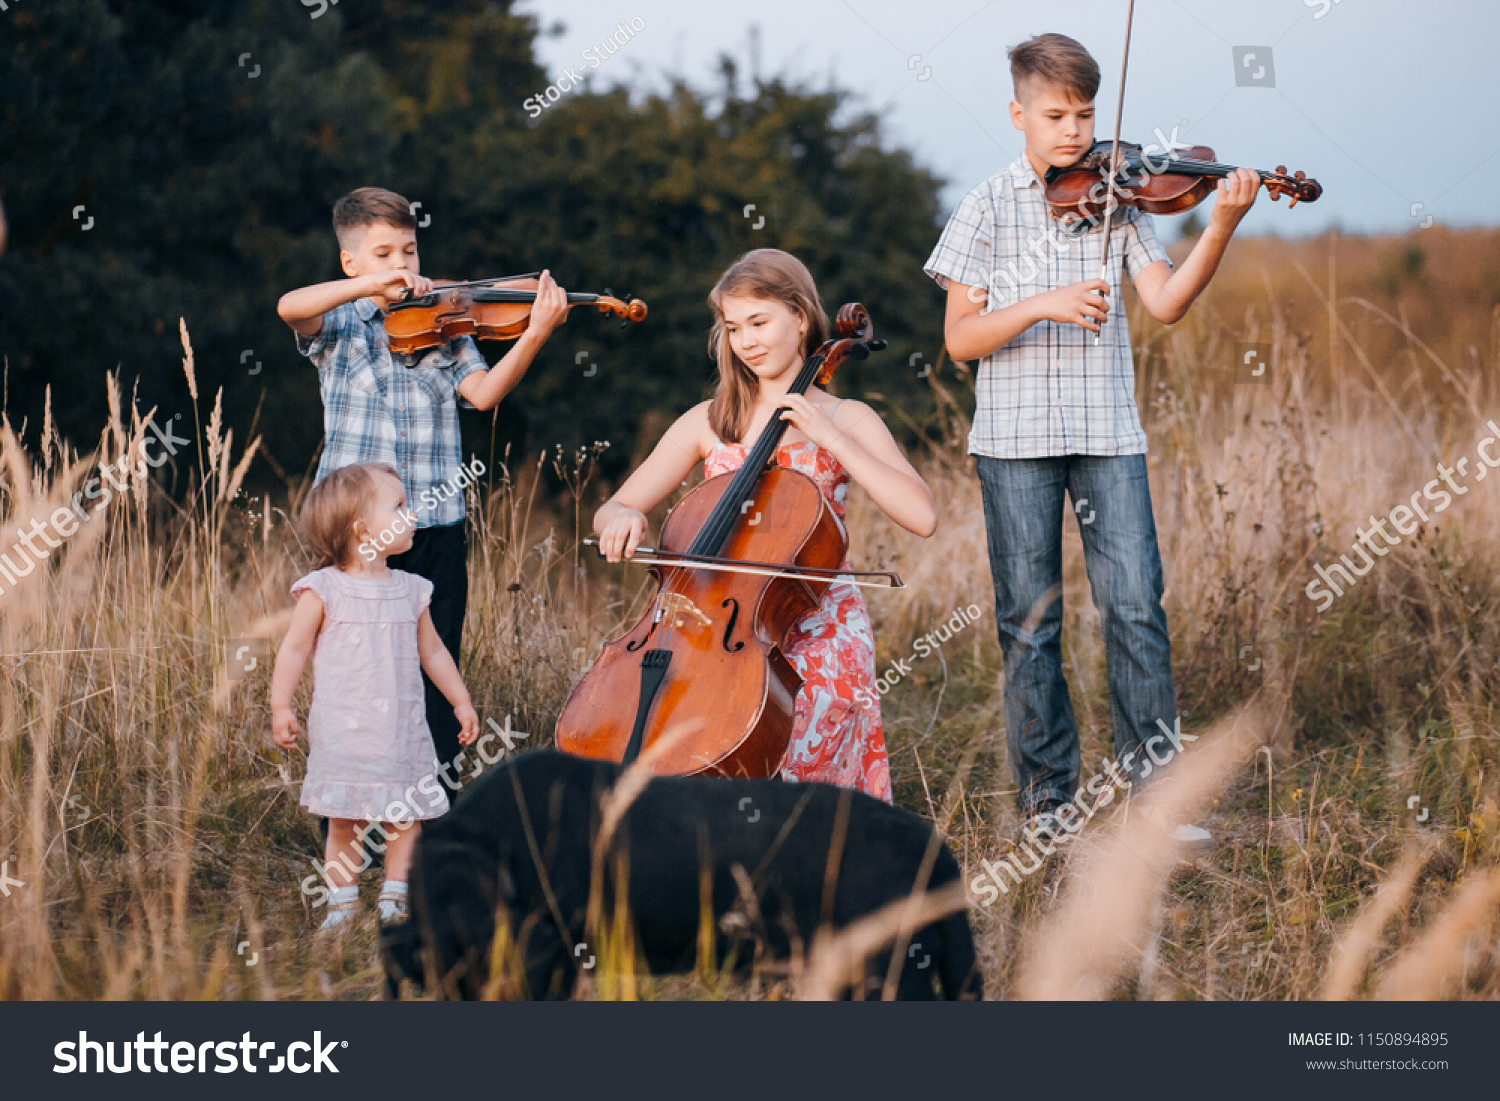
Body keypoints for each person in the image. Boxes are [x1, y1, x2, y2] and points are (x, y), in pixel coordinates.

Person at [923, 33, 1260, 842]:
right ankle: (1049, 807)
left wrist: (1221, 224)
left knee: (1137, 608)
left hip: (1109, 435)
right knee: (1029, 624)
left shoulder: (1122, 199)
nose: (1073, 130)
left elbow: (1168, 301)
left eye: (1083, 113)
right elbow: (960, 339)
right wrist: (1043, 302)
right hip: (1013, 443)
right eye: (1054, 114)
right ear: (1018, 114)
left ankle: (1159, 803)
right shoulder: (986, 206)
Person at [593, 248, 936, 802]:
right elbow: (615, 506)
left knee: (801, 771)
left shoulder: (848, 417)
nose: (746, 341)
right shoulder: (709, 421)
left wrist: (832, 439)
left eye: (759, 322)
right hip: (718, 632)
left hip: (820, 627)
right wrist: (623, 516)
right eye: (733, 327)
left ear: (801, 317)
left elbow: (922, 516)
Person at [276, 187, 566, 784]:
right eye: (383, 254)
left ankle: (433, 817)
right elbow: (288, 306)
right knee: (353, 670)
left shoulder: (445, 324)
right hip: (354, 532)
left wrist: (534, 333)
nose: (402, 267)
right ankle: (349, 806)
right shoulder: (338, 323)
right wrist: (369, 290)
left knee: (435, 667)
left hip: (435, 524)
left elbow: (483, 395)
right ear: (351, 263)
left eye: (408, 251)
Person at [271, 462, 481, 931]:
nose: (414, 516)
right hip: (344, 734)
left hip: (400, 733)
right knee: (344, 822)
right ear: (362, 529)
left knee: (404, 819)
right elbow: (294, 649)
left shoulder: (410, 590)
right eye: (401, 507)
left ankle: (394, 895)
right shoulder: (323, 590)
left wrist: (460, 701)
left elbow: (434, 652)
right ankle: (342, 902)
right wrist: (281, 705)